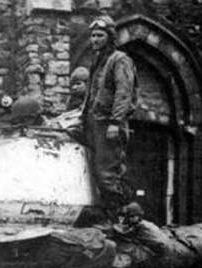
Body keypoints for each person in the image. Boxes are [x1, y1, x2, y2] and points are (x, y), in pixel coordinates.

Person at [81, 15, 138, 220]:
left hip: (108, 124)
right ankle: (107, 217)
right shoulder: (98, 61)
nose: (95, 40)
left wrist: (115, 122)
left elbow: (124, 92)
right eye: (93, 36)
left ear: (110, 37)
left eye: (100, 35)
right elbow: (91, 94)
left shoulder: (119, 60)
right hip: (94, 122)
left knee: (107, 176)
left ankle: (125, 216)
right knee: (94, 173)